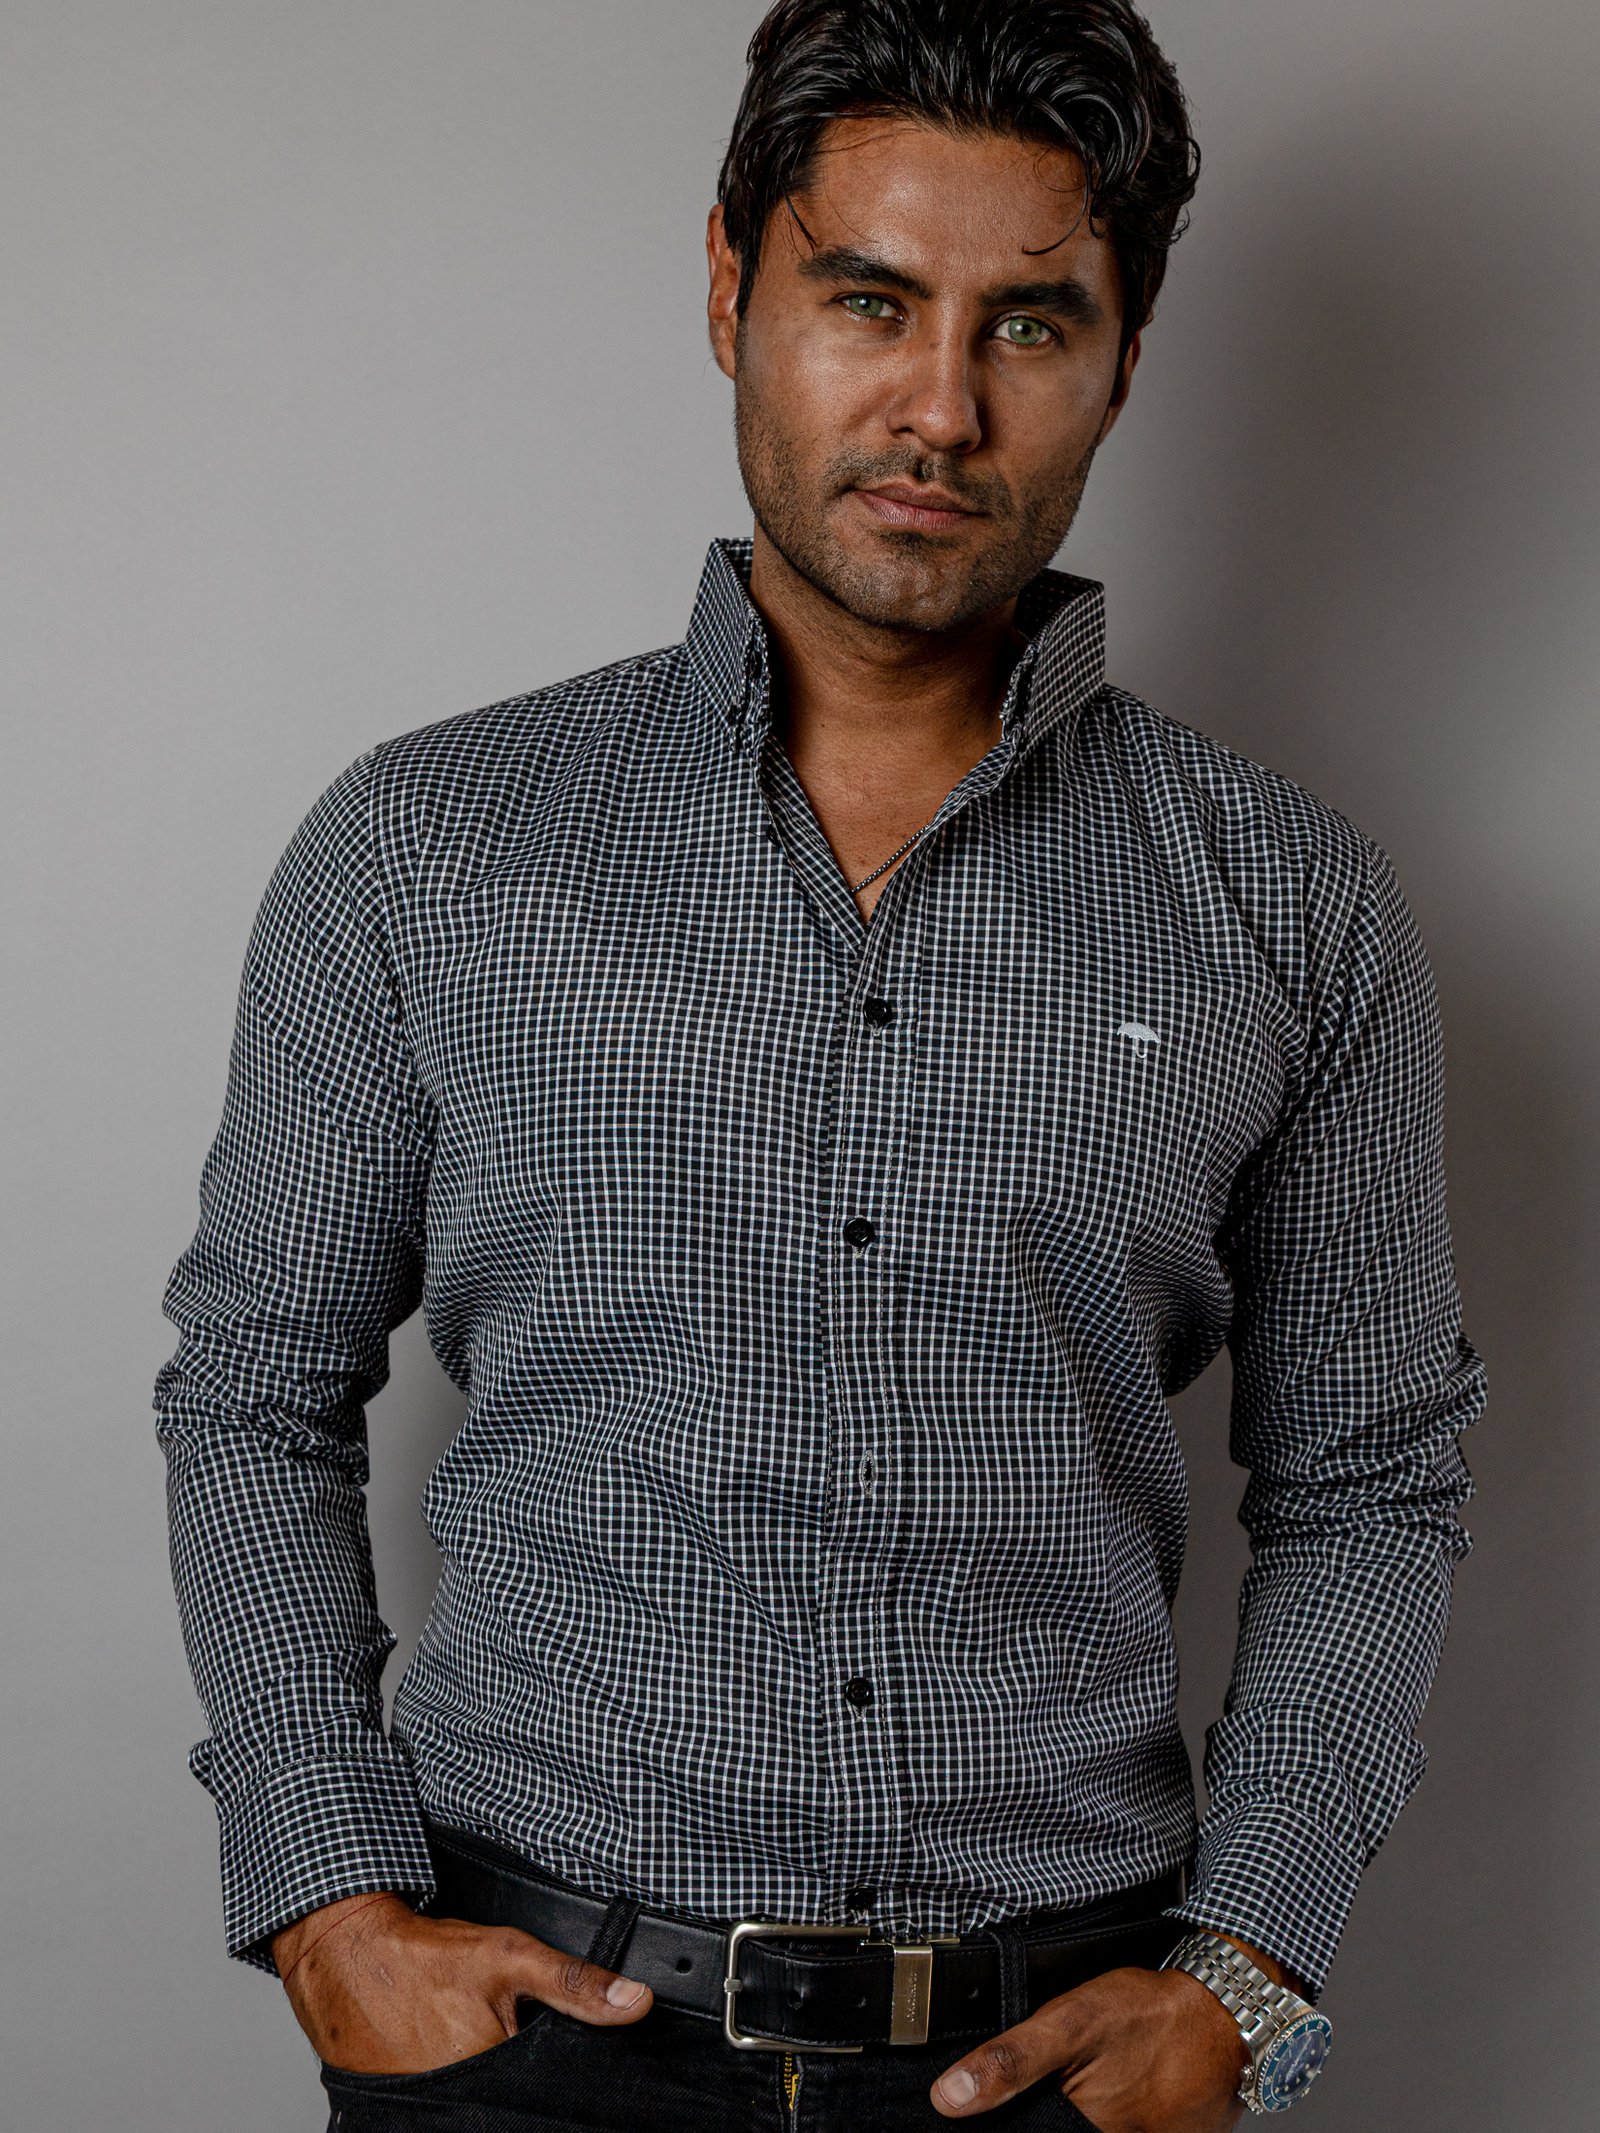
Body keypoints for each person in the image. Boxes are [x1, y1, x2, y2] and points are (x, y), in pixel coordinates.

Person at [154, 3, 1487, 2126]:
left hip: (1051, 2057)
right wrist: (322, 1892)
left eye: (1027, 325)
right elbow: (250, 1383)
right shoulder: (426, 844)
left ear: (1124, 357)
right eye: (867, 300)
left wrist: (1245, 1970)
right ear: (729, 292)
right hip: (526, 2047)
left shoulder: (1286, 900)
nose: (938, 406)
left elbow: (1368, 1473)